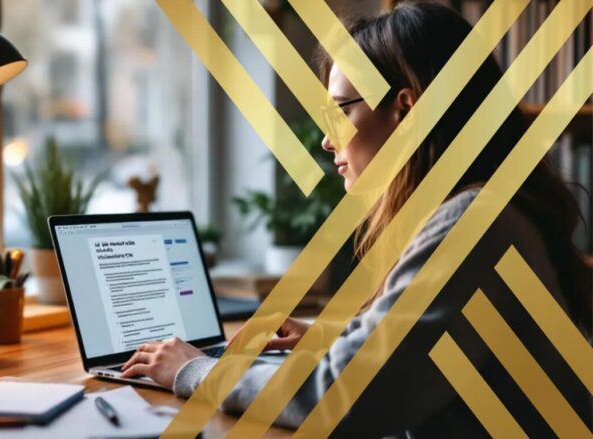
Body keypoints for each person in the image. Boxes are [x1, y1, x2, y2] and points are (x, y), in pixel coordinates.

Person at [121, 2, 592, 436]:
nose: (328, 141)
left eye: (340, 111)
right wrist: (330, 341)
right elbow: (420, 356)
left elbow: (349, 399)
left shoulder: (474, 223)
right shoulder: (484, 208)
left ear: (405, 109)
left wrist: (195, 371)